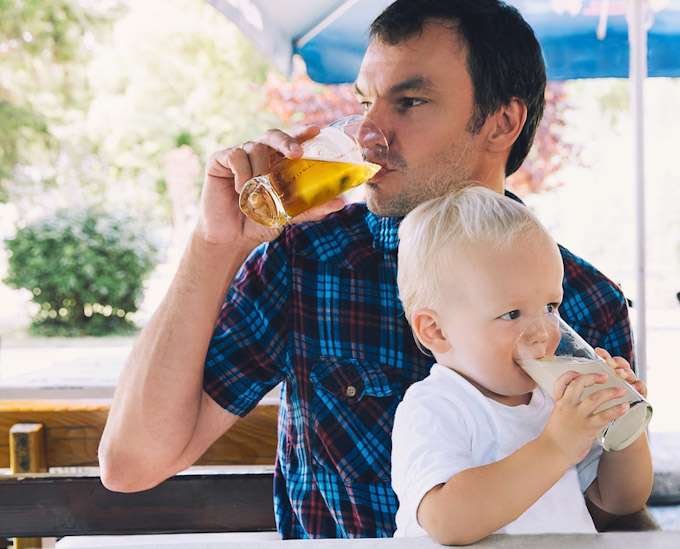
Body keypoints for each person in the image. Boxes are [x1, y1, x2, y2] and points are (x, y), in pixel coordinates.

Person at [98, 0, 644, 538]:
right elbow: (131, 466)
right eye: (366, 102)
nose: (367, 133)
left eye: (408, 102)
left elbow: (608, 505)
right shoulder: (305, 262)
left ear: (502, 122)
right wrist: (214, 244)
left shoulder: (588, 299)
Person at [391, 187, 652, 544]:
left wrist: (624, 428)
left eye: (550, 307)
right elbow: (447, 520)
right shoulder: (434, 407)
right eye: (512, 314)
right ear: (436, 331)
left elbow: (620, 502)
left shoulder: (553, 400)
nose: (544, 332)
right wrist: (556, 446)